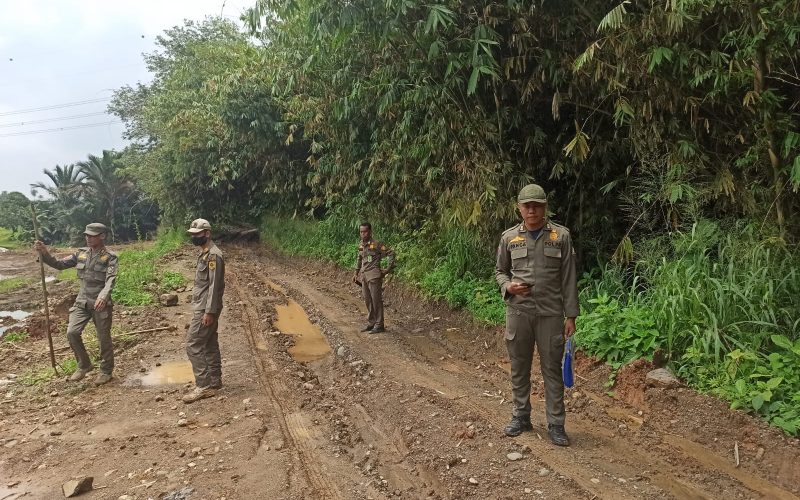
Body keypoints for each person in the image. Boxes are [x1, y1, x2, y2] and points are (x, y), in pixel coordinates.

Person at [495, 184, 579, 446]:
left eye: (537, 205)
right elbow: (500, 271)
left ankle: (556, 424)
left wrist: (571, 316)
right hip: (519, 313)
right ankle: (521, 416)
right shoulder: (509, 238)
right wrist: (508, 287)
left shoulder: (560, 236)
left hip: (551, 314)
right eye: (527, 205)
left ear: (544, 207)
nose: (532, 210)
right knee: (519, 367)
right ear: (519, 208)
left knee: (552, 370)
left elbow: (569, 279)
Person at [34, 223, 118, 385]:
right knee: (72, 332)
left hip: (101, 303)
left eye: (92, 235)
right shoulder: (81, 254)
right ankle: (84, 365)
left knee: (103, 338)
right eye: (87, 235)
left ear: (102, 236)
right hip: (82, 301)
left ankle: (106, 371)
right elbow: (59, 264)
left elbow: (110, 280)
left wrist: (103, 296)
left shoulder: (110, 257)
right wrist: (44, 252)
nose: (88, 238)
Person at [182, 218, 226, 404]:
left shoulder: (213, 255)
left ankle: (203, 386)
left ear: (207, 233)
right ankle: (214, 381)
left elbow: (214, 287)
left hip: (205, 308)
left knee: (193, 344)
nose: (194, 237)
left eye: (197, 234)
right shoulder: (205, 254)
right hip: (204, 306)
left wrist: (209, 312)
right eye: (192, 234)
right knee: (208, 343)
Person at [352, 222, 395, 334]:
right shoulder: (361, 245)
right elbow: (359, 259)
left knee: (376, 301)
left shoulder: (377, 244)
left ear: (370, 231)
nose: (363, 234)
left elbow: (391, 253)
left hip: (374, 275)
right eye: (361, 232)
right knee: (368, 300)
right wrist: (356, 272)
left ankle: (379, 324)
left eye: (365, 231)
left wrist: (387, 269)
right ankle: (372, 323)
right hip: (364, 276)